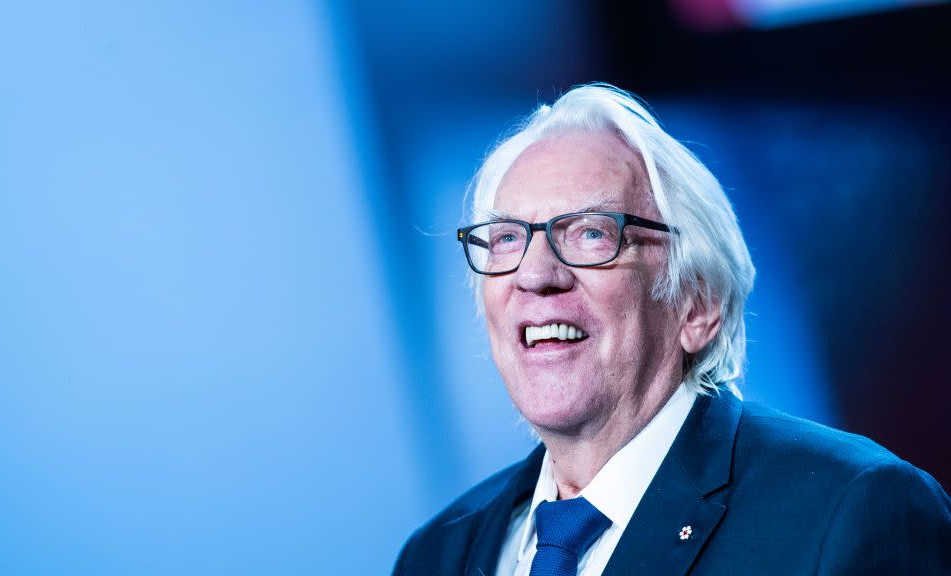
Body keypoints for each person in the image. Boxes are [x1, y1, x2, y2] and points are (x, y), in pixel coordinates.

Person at [392, 84, 951, 575]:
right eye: (508, 238)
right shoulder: (438, 553)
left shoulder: (851, 510)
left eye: (591, 233)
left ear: (697, 305)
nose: (536, 275)